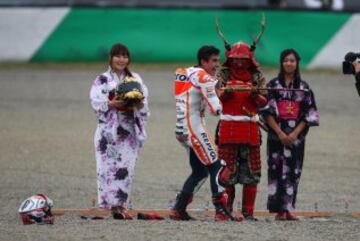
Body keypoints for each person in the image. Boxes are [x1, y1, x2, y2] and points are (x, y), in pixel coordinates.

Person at [170, 45, 238, 221]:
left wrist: (216, 87)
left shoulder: (186, 72)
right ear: (203, 61)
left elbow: (196, 94)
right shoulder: (203, 77)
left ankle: (178, 209)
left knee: (200, 171)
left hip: (182, 130)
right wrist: (221, 93)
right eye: (214, 60)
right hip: (194, 129)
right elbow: (215, 109)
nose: (218, 64)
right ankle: (221, 210)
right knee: (218, 167)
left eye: (218, 60)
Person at [90, 43, 149, 220]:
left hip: (128, 131)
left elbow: (145, 105)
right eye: (118, 56)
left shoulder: (135, 78)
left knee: (126, 168)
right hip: (107, 131)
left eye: (125, 56)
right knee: (105, 168)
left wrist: (138, 104)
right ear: (111, 57)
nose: (121, 59)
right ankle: (106, 204)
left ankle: (120, 207)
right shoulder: (102, 79)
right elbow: (94, 102)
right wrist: (110, 104)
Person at [260, 49, 319, 220]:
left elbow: (309, 114)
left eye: (292, 60)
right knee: (275, 170)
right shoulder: (272, 85)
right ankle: (278, 210)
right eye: (285, 60)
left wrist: (294, 134)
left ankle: (289, 208)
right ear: (281, 63)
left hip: (296, 138)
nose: (289, 63)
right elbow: (266, 112)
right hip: (276, 136)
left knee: (294, 170)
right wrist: (280, 133)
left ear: (297, 63)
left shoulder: (304, 88)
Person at [215, 42, 268, 221]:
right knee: (226, 172)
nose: (238, 63)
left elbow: (264, 101)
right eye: (235, 59)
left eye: (243, 59)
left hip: (250, 129)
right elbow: (215, 98)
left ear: (249, 60)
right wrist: (226, 94)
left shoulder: (257, 76)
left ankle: (248, 212)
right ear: (230, 59)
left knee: (252, 172)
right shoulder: (222, 74)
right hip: (228, 129)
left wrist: (255, 95)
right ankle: (226, 210)